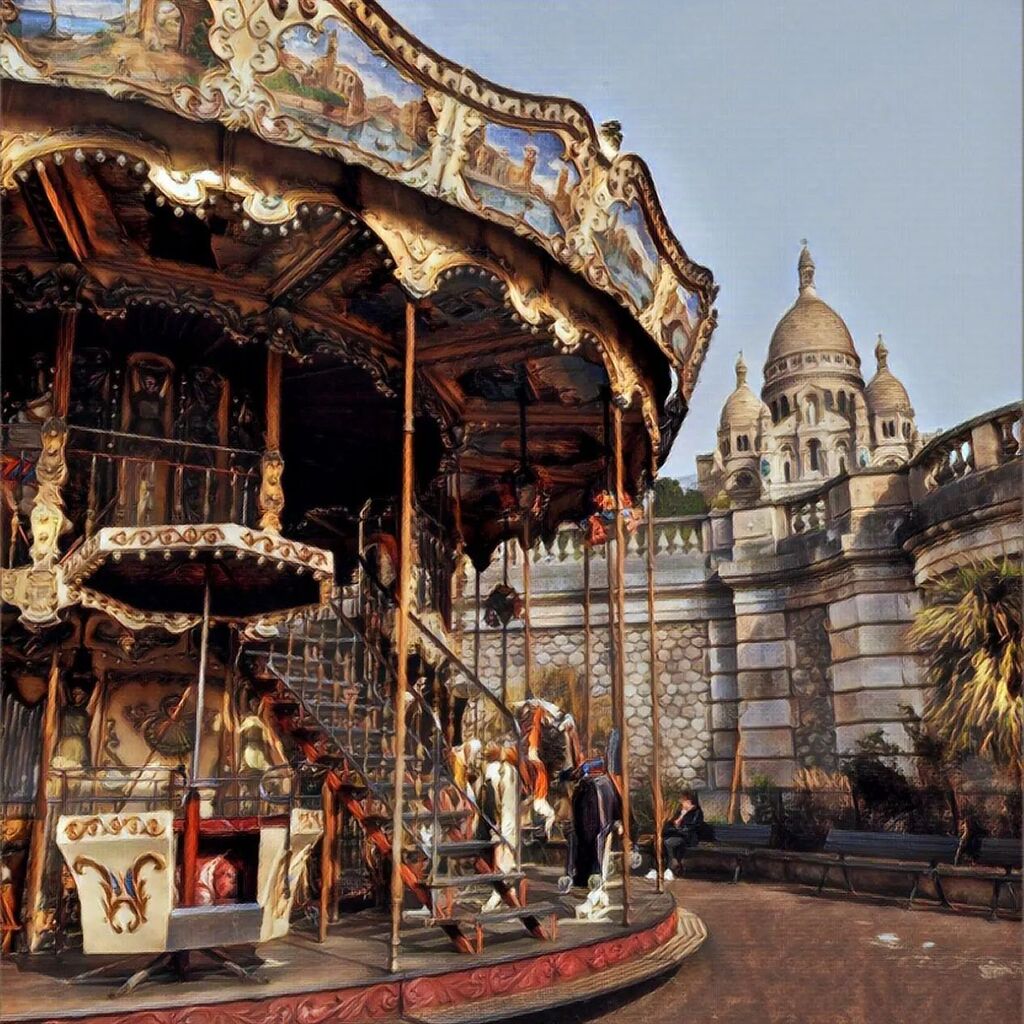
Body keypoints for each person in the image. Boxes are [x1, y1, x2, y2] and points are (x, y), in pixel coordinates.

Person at [649, 790, 704, 881]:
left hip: (688, 838)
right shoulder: (680, 811)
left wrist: (678, 826)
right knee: (657, 843)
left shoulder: (696, 813)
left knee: (668, 843)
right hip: (676, 835)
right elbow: (671, 824)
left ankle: (670, 868)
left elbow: (691, 828)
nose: (681, 802)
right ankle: (656, 869)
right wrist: (679, 818)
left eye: (683, 800)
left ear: (689, 801)